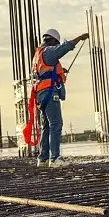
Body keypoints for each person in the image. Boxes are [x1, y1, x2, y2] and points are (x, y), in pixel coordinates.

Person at [32, 28, 88, 167]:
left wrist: (60, 72)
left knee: (46, 126)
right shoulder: (49, 51)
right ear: (51, 40)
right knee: (56, 124)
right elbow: (64, 48)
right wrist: (80, 37)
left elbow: (44, 72)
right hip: (50, 93)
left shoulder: (37, 55)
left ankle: (43, 159)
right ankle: (55, 158)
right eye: (55, 43)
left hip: (40, 95)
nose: (55, 45)